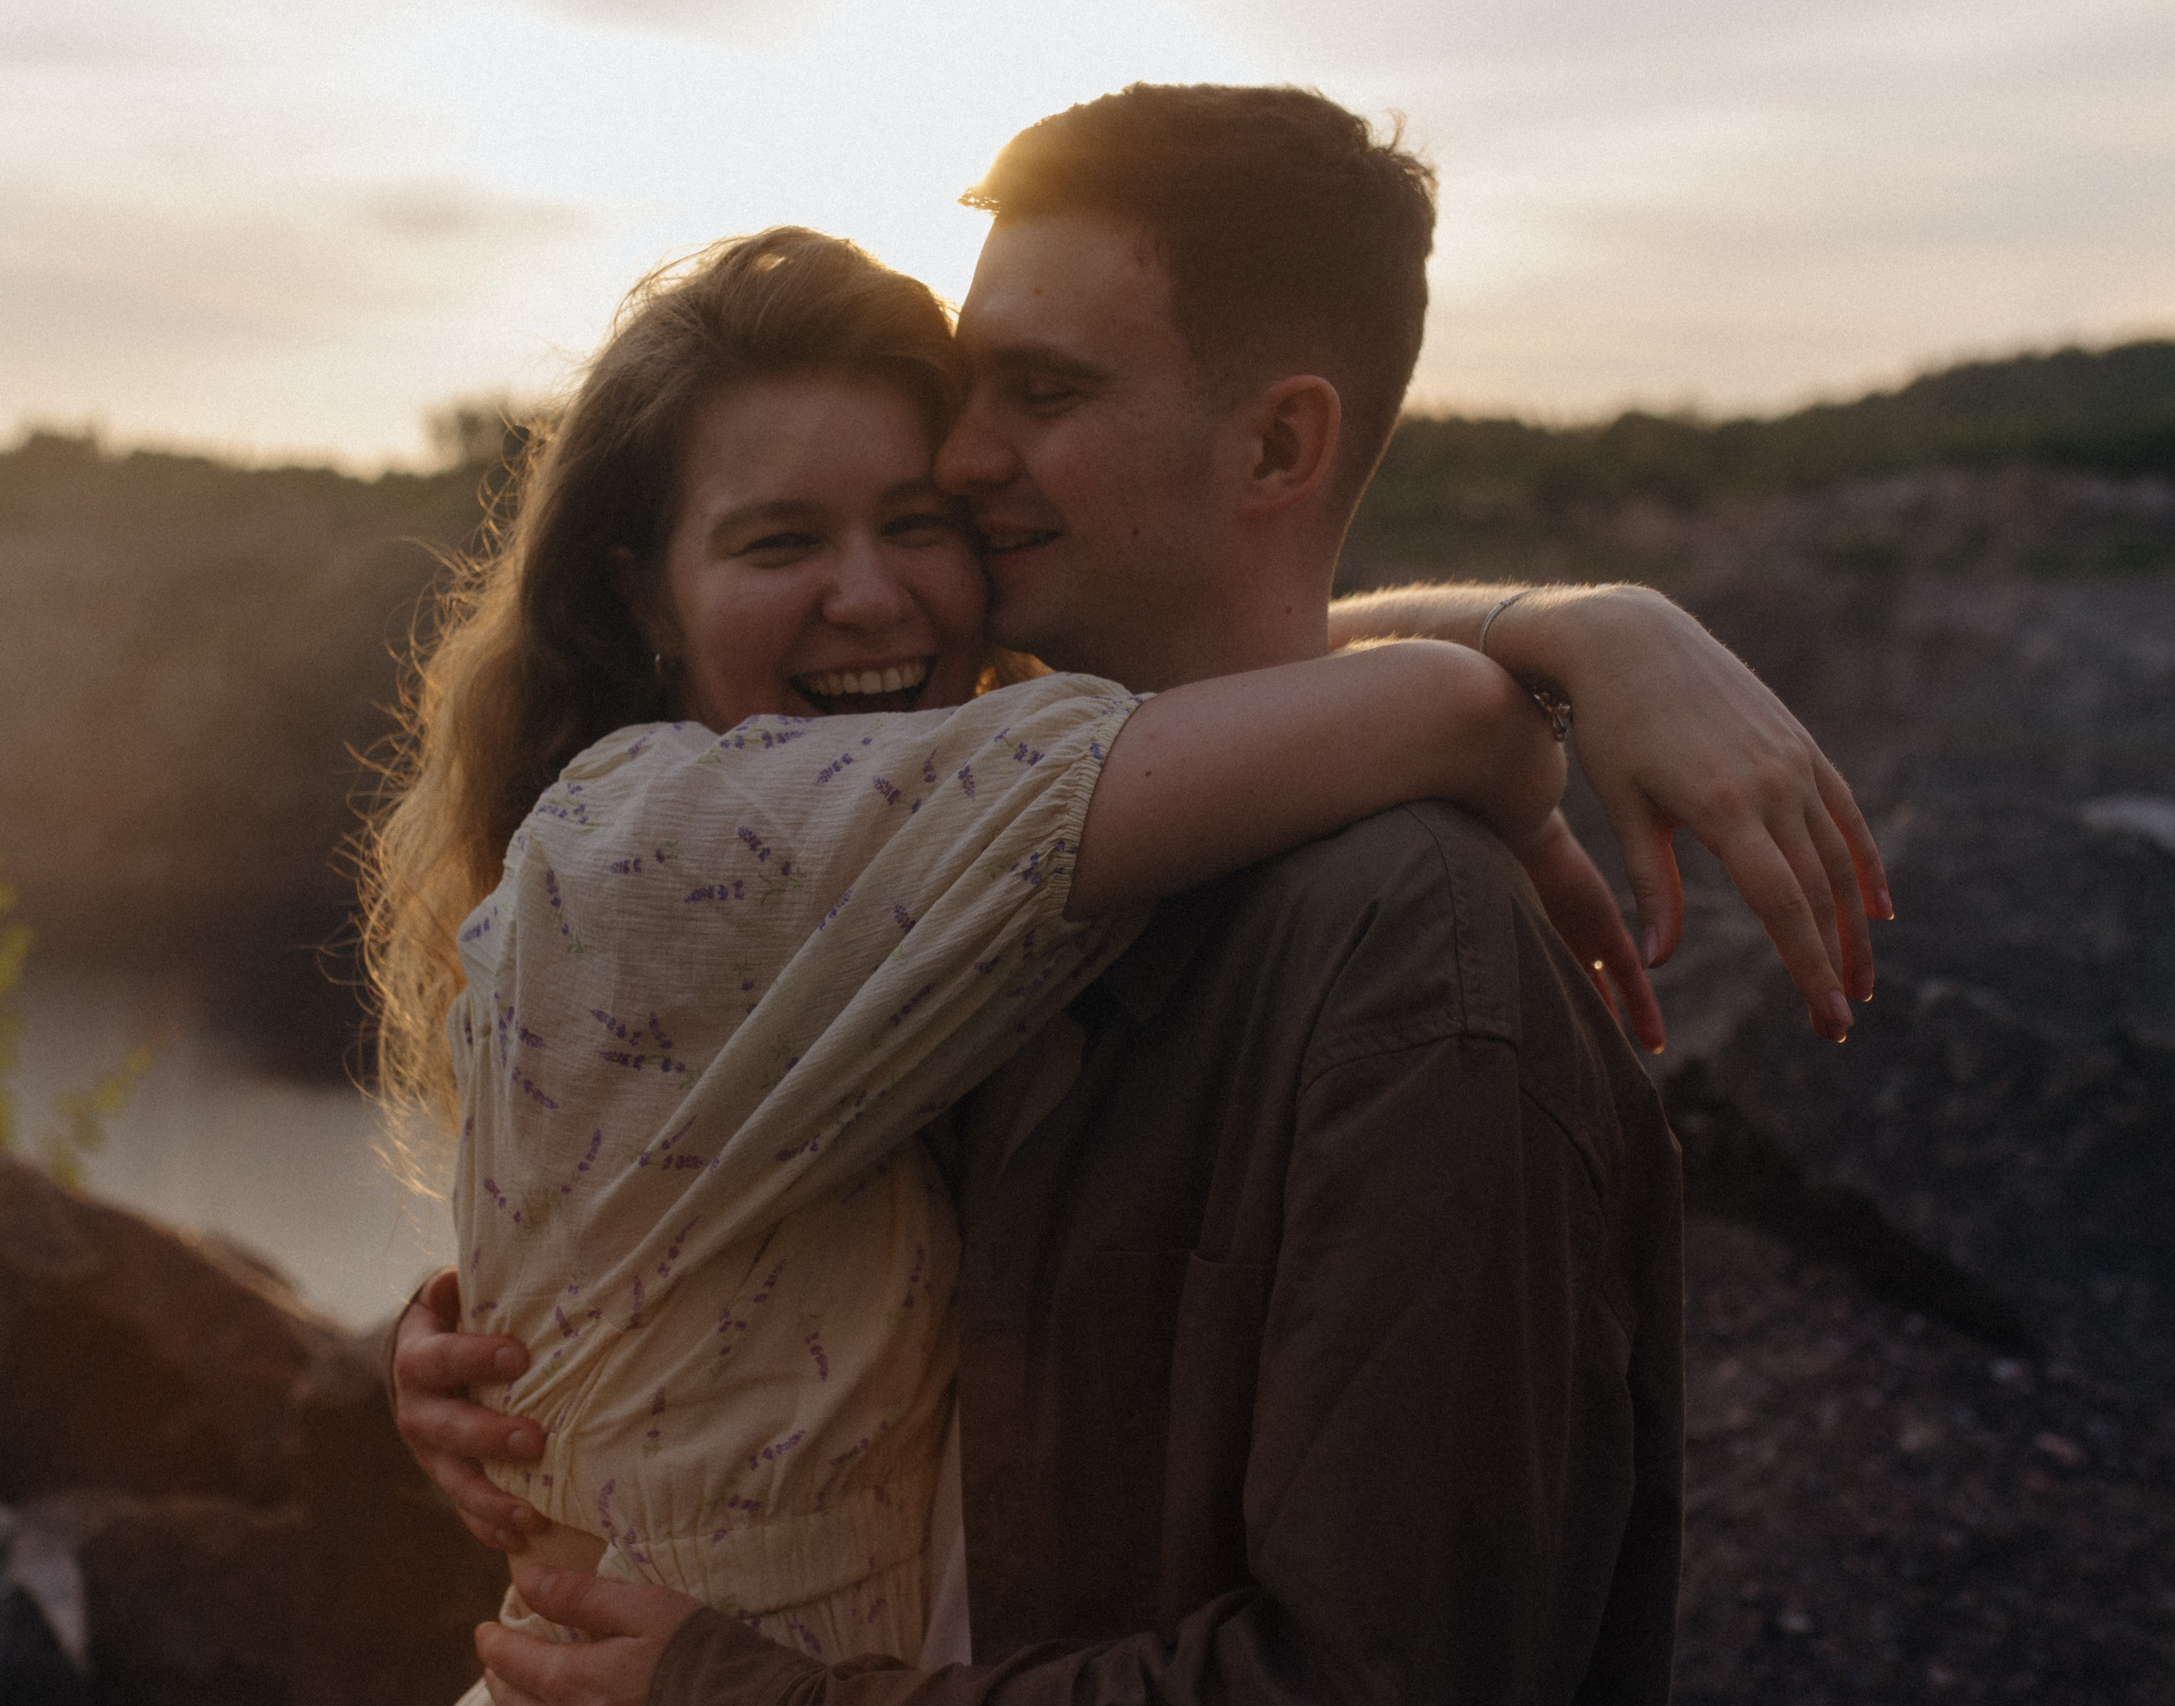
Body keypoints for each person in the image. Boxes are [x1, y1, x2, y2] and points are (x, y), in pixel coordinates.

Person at [399, 85, 1889, 1706]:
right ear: (645, 593)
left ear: (1276, 443)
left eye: (1035, 394)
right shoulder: (942, 865)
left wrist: (737, 1691)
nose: (967, 461)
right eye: (782, 537)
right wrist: (1568, 638)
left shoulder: (1410, 960)